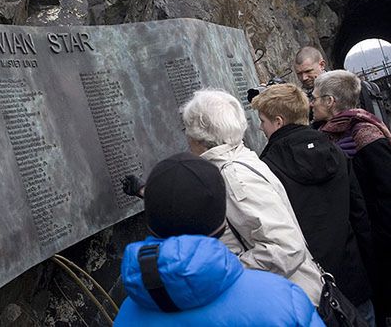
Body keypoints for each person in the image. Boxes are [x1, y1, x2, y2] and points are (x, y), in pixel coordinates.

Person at [115, 152, 324, 326]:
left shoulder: (126, 316)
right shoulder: (283, 299)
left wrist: (148, 192)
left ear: (151, 226)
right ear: (222, 225)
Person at [176, 89, 323, 305]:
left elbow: (285, 248)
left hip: (290, 301)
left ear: (199, 136)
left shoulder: (233, 176)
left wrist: (224, 272)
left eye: (187, 129)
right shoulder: (241, 157)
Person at [251, 83, 375, 324]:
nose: (260, 126)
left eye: (263, 121)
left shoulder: (266, 168)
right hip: (354, 276)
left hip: (313, 290)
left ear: (278, 121)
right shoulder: (336, 150)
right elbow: (359, 215)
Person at [312, 70, 391, 326]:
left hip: (377, 239)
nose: (311, 103)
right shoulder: (326, 135)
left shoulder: (365, 134)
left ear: (330, 101)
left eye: (315, 98)